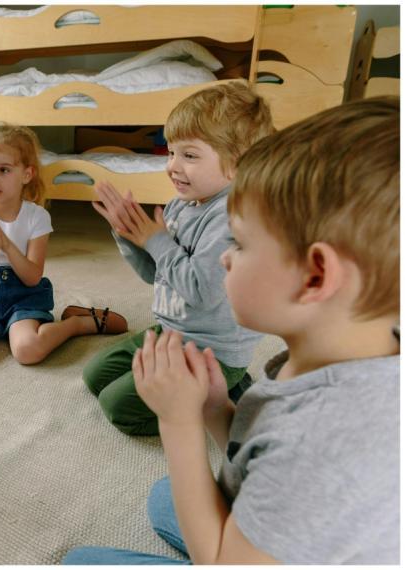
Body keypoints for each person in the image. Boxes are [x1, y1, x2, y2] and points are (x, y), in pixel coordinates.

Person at [64, 97, 400, 564]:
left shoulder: (321, 441)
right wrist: (216, 409)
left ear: (316, 276)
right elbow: (258, 448)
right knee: (167, 495)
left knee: (79, 562)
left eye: (240, 244)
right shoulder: (337, 356)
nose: (224, 257)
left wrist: (179, 422)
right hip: (281, 524)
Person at [83, 82, 274, 435]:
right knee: (94, 377)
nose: (172, 166)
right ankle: (219, 389)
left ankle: (224, 391)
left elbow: (201, 291)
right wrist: (128, 235)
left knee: (118, 408)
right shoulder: (180, 205)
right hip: (173, 331)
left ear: (237, 163)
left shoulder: (234, 218)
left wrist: (156, 240)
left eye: (189, 155)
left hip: (212, 352)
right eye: (171, 152)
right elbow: (154, 274)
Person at [0, 124, 127, 365]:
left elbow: (33, 278)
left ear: (26, 174)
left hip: (24, 293)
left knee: (27, 351)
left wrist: (6, 245)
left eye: (3, 169)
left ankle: (76, 323)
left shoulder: (37, 217)